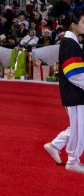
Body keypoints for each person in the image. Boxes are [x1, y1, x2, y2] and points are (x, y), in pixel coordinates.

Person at [44, 12, 84, 174]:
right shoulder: (70, 43)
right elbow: (73, 73)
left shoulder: (71, 42)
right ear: (73, 25)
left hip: (75, 92)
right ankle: (73, 161)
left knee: (78, 126)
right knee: (80, 129)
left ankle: (55, 145)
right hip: (75, 93)